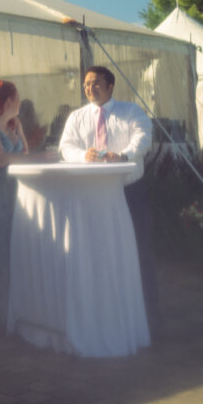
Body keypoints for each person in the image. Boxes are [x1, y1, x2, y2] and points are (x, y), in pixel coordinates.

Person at [59, 65, 159, 334]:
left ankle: (147, 318)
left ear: (111, 86)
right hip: (92, 195)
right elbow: (66, 146)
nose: (90, 88)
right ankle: (107, 314)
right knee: (101, 253)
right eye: (87, 84)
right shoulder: (77, 117)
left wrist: (123, 155)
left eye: (96, 83)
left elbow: (144, 138)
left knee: (138, 250)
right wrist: (83, 156)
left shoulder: (130, 111)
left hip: (129, 192)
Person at [0, 79, 57, 333]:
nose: (19, 103)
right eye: (16, 98)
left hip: (12, 194)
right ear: (8, 100)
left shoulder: (13, 124)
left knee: (6, 251)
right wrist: (37, 156)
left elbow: (25, 154)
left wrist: (18, 135)